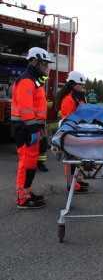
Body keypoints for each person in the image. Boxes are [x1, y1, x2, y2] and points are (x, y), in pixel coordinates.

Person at [11, 47, 53, 209]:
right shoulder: (27, 81)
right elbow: (26, 109)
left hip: (32, 127)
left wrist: (39, 128)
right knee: (26, 163)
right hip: (25, 128)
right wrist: (33, 129)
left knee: (30, 163)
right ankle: (22, 199)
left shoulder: (35, 81)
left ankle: (27, 193)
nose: (46, 67)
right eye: (44, 64)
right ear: (34, 62)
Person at [56, 70, 89, 194]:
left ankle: (78, 181)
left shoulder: (78, 97)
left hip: (80, 132)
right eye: (80, 85)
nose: (82, 87)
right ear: (72, 84)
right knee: (72, 159)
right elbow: (68, 119)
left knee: (79, 158)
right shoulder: (68, 100)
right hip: (71, 134)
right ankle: (72, 185)